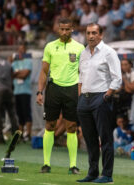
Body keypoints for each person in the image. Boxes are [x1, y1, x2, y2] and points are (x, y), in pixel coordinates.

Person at [36, 18, 85, 174]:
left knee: (71, 127)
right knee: (50, 126)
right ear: (58, 30)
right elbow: (44, 71)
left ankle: (73, 165)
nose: (64, 32)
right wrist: (39, 91)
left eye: (67, 29)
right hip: (54, 89)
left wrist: (82, 91)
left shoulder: (79, 48)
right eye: (62, 29)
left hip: (71, 90)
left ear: (72, 29)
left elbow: (83, 72)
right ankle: (46, 164)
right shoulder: (50, 46)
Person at [77, 23, 122, 184]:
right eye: (88, 33)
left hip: (101, 97)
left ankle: (107, 175)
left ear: (101, 35)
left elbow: (117, 77)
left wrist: (108, 95)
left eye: (94, 33)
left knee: (105, 138)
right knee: (89, 140)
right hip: (85, 99)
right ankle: (93, 172)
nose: (91, 36)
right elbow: (80, 77)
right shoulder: (83, 53)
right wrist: (80, 95)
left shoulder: (109, 52)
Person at [11, 43, 32, 141]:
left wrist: (16, 74)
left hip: (25, 91)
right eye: (19, 49)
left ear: (25, 51)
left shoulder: (28, 61)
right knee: (19, 114)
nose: (20, 51)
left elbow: (25, 74)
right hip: (16, 91)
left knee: (26, 113)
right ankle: (20, 135)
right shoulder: (14, 63)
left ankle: (28, 134)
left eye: (22, 49)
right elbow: (10, 74)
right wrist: (19, 73)